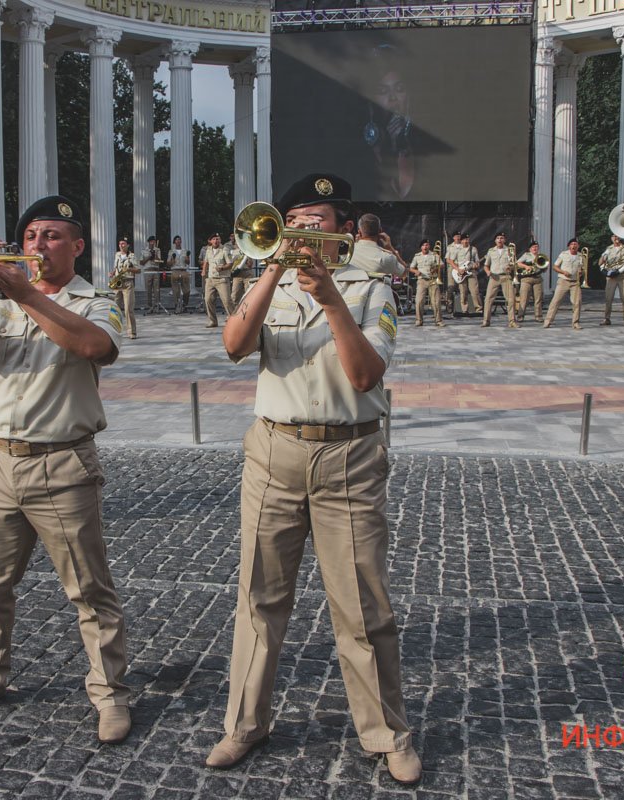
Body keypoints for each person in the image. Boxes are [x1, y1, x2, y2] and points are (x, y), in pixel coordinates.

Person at [209, 174, 420, 786]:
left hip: (348, 457)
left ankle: (386, 733)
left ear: (342, 230)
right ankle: (245, 724)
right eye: (293, 221)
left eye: (316, 221)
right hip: (273, 451)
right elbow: (231, 345)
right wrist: (271, 273)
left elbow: (364, 376)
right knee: (258, 599)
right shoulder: (265, 283)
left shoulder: (371, 290)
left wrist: (329, 298)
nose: (302, 231)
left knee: (362, 605)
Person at [0, 195, 132, 745]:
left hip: (62, 463)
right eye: (31, 238)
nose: (38, 246)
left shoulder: (98, 299)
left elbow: (96, 347)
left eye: (50, 236)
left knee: (89, 591)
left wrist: (25, 294)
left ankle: (110, 693)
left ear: (76, 246)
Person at [363, 45, 415, 199]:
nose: (393, 98)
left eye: (399, 89)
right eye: (383, 91)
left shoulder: (422, 144)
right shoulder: (362, 151)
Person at [543, 238, 586, 330]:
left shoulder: (581, 256)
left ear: (578, 246)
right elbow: (555, 266)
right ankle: (548, 321)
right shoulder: (563, 254)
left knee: (577, 302)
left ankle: (575, 323)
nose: (574, 246)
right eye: (572, 244)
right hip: (563, 280)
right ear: (569, 246)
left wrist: (581, 272)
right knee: (556, 301)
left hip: (575, 282)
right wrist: (563, 272)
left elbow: (583, 269)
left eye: (575, 244)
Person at [350, 214, 406, 278]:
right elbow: (404, 273)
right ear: (380, 231)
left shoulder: (347, 252)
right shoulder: (387, 258)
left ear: (359, 232)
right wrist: (390, 248)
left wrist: (355, 243)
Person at [481, 233, 517, 329]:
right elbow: (486, 265)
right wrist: (487, 271)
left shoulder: (509, 250)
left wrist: (511, 268)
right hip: (494, 277)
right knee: (488, 299)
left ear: (504, 240)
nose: (500, 240)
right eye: (498, 238)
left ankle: (512, 321)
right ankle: (486, 320)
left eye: (502, 238)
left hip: (506, 277)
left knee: (510, 299)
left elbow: (514, 264)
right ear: (495, 240)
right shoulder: (491, 251)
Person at [599, 234, 624, 327]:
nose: (616, 238)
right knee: (608, 298)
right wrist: (603, 257)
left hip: (622, 276)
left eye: (617, 236)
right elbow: (600, 263)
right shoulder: (609, 248)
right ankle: (607, 318)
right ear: (611, 238)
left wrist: (619, 270)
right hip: (611, 276)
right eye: (614, 236)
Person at [409, 238, 445, 327]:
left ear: (429, 246)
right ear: (421, 247)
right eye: (424, 245)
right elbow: (411, 267)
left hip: (433, 279)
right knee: (419, 301)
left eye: (427, 245)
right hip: (422, 280)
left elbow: (442, 264)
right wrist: (416, 272)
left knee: (436, 301)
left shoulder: (434, 254)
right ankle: (419, 320)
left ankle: (439, 320)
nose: (425, 247)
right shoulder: (417, 256)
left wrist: (436, 268)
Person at [199, 232, 232, 328]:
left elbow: (230, 264)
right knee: (208, 299)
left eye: (217, 239)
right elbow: (206, 261)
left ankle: (233, 319)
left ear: (220, 240)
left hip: (222, 279)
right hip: (210, 278)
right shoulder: (208, 250)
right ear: (210, 241)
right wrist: (204, 271)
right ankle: (213, 321)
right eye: (214, 239)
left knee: (226, 300)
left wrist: (222, 268)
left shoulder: (224, 250)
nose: (216, 241)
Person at [109, 238, 140, 339]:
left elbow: (138, 270)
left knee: (128, 309)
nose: (121, 245)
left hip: (128, 282)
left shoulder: (132, 256)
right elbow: (115, 267)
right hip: (118, 282)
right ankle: (113, 330)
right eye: (120, 243)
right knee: (115, 307)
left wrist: (130, 269)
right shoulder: (117, 255)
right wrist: (112, 273)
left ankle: (132, 332)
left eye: (123, 244)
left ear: (127, 245)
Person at [515, 241, 546, 323]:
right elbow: (517, 263)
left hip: (538, 278)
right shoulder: (526, 255)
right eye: (533, 247)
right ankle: (520, 316)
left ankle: (538, 316)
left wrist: (544, 266)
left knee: (538, 299)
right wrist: (526, 266)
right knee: (524, 298)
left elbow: (544, 268)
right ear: (530, 249)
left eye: (536, 247)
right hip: (527, 279)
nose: (535, 248)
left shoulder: (541, 256)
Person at [226, 233, 256, 308]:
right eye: (236, 242)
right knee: (234, 296)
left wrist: (246, 259)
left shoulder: (247, 251)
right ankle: (233, 313)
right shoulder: (232, 252)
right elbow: (230, 264)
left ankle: (248, 311)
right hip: (237, 275)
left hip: (247, 273)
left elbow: (250, 265)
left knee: (249, 293)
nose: (238, 243)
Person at [166, 235, 192, 313]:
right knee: (176, 290)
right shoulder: (171, 251)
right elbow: (168, 263)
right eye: (176, 240)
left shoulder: (185, 251)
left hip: (183, 270)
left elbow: (188, 262)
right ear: (174, 242)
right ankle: (177, 305)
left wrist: (187, 257)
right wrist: (172, 260)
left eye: (179, 240)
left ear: (181, 241)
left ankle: (184, 305)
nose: (178, 241)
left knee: (187, 290)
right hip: (175, 270)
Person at [139, 235, 163, 313]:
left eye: (154, 241)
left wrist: (155, 255)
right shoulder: (144, 250)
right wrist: (149, 257)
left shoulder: (158, 250)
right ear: (149, 242)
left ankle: (157, 306)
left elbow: (159, 261)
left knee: (156, 289)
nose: (153, 243)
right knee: (148, 289)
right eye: (151, 241)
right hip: (147, 270)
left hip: (155, 270)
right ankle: (150, 306)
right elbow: (141, 262)